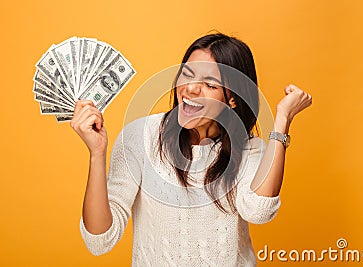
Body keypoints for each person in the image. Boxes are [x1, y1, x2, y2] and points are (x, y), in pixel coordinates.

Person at [71, 33, 312, 266]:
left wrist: (282, 120)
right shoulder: (141, 136)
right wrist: (97, 153)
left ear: (233, 99)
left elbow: (259, 211)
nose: (191, 89)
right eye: (187, 75)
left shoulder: (249, 148)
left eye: (209, 84)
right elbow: (99, 240)